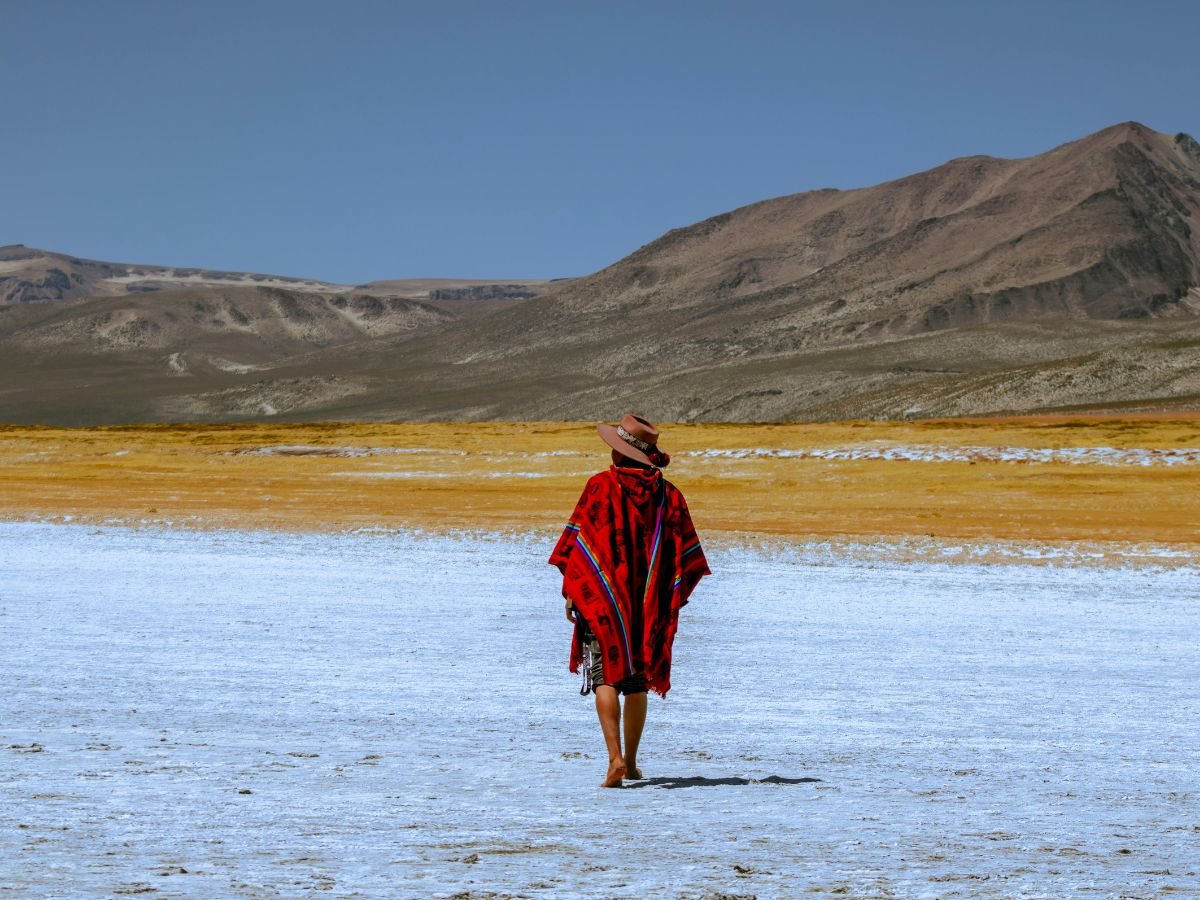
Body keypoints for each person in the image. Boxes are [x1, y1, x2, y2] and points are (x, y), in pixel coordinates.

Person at [549, 413, 711, 788]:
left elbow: (578, 548)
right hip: (647, 604)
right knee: (636, 681)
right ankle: (634, 762)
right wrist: (668, 597)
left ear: (621, 453)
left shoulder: (599, 487)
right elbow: (685, 557)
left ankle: (615, 759)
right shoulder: (669, 495)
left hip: (602, 600)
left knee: (605, 676)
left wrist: (575, 591)